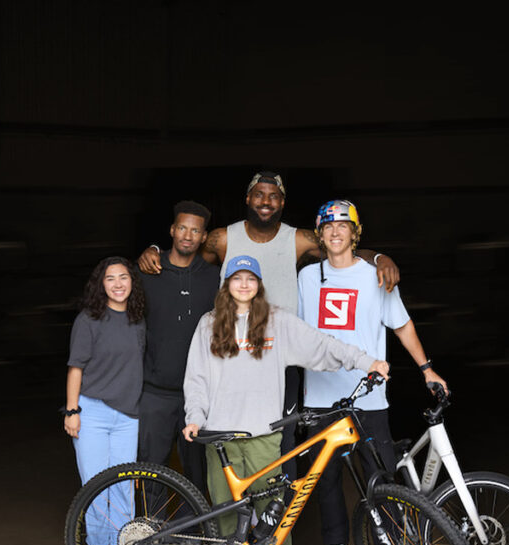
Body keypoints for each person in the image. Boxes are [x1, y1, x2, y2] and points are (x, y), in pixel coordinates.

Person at [140, 172, 401, 478]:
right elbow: (186, 253)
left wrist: (380, 257)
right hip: (232, 353)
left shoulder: (298, 239)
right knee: (229, 433)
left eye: (273, 195)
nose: (266, 201)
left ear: (282, 202)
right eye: (259, 195)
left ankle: (277, 521)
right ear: (247, 199)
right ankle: (235, 514)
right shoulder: (222, 239)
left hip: (279, 354)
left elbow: (341, 249)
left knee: (282, 438)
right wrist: (154, 251)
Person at [182, 255, 390, 545]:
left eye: (251, 278)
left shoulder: (277, 321)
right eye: (237, 278)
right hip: (220, 433)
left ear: (259, 284)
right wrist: (195, 417)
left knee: (273, 510)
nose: (244, 284)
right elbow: (196, 378)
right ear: (226, 284)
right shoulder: (209, 324)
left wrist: (365, 361)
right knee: (226, 510)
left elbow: (322, 345)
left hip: (264, 432)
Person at [297, 200, 449, 545]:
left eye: (343, 226)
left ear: (355, 233)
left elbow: (402, 326)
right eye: (327, 227)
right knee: (325, 476)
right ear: (320, 235)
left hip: (368, 397)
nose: (335, 233)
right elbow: (293, 331)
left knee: (379, 477)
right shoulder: (307, 278)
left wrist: (426, 368)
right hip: (320, 397)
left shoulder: (374, 276)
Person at [63, 256, 146, 545]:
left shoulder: (138, 319)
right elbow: (76, 368)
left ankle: (122, 544)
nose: (118, 284)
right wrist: (72, 411)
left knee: (123, 483)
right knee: (95, 481)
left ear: (131, 282)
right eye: (110, 278)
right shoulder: (89, 319)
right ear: (101, 284)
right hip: (92, 411)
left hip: (127, 415)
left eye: (123, 277)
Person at [137, 201, 220, 494]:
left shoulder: (214, 278)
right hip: (155, 393)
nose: (187, 235)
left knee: (197, 473)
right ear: (172, 230)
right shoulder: (147, 272)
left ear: (204, 237)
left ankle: (192, 534)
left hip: (198, 394)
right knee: (151, 469)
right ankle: (151, 533)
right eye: (182, 227)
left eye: (195, 230)